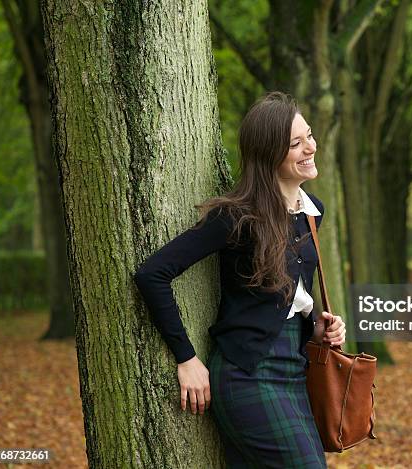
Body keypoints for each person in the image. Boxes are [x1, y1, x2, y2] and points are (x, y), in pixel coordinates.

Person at [133, 91, 346, 468]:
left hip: (295, 371)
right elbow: (153, 274)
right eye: (295, 144)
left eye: (308, 136)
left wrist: (316, 328)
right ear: (268, 155)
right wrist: (186, 358)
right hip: (247, 375)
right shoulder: (236, 218)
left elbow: (290, 294)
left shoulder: (312, 213)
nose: (309, 147)